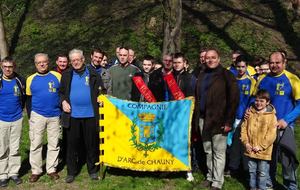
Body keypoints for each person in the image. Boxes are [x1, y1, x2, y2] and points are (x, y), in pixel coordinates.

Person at [254, 51, 300, 190]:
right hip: (264, 127)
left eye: (277, 62)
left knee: (287, 159)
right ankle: (269, 184)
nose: (274, 65)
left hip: (284, 127)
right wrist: (249, 112)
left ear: (284, 63)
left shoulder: (292, 79)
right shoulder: (263, 79)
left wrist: (286, 120)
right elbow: (254, 99)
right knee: (268, 158)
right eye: (271, 62)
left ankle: (291, 186)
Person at [195, 49, 239, 190]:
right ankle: (210, 176)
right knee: (208, 150)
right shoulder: (202, 74)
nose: (210, 60)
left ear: (219, 59)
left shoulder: (227, 75)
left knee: (218, 152)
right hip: (203, 118)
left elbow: (234, 100)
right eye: (208, 58)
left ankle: (217, 182)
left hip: (220, 120)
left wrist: (228, 121)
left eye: (213, 57)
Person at [59, 49, 104, 183]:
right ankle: (71, 172)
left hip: (90, 115)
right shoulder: (66, 74)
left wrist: (101, 98)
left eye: (78, 59)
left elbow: (102, 90)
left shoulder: (93, 74)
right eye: (73, 60)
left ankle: (92, 170)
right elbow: (61, 92)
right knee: (72, 145)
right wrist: (63, 101)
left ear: (83, 59)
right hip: (72, 115)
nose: (76, 62)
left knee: (91, 144)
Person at [26, 53, 61, 182]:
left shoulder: (57, 76)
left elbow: (62, 94)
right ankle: (36, 170)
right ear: (35, 64)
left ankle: (51, 169)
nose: (42, 64)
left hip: (55, 115)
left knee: (54, 143)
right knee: (36, 143)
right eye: (39, 62)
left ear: (48, 62)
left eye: (44, 62)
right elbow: (28, 99)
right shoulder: (30, 79)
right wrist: (31, 115)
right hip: (37, 115)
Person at [240, 89, 277, 190]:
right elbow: (243, 129)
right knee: (252, 171)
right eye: (257, 100)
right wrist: (246, 143)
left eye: (262, 101)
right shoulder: (250, 113)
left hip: (263, 151)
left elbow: (271, 134)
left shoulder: (271, 116)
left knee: (262, 172)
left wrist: (261, 146)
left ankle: (261, 188)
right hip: (250, 149)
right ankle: (252, 187)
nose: (258, 103)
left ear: (267, 102)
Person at [226, 55, 256, 177]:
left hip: (245, 117)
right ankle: (233, 167)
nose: (240, 69)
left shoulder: (251, 81)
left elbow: (253, 99)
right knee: (233, 144)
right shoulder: (231, 80)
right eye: (238, 66)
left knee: (244, 143)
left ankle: (246, 169)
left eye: (243, 66)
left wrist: (248, 112)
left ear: (247, 67)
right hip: (231, 116)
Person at [0, 57, 26, 187]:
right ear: (1, 67)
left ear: (14, 67)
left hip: (17, 118)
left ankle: (13, 173)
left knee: (15, 148)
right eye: (5, 66)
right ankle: (3, 175)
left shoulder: (19, 80)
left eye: (10, 67)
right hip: (1, 120)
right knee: (2, 148)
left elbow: (24, 98)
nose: (8, 69)